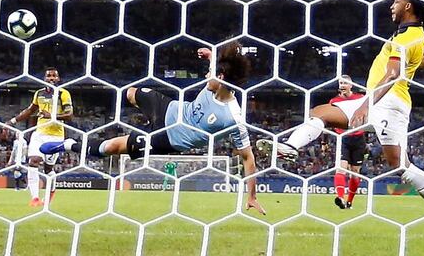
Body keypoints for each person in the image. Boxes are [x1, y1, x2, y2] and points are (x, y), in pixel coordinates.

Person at [258, 0, 424, 238]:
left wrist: (366, 104)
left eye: (396, 1)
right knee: (321, 112)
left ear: (408, 6)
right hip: (381, 101)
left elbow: (392, 75)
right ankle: (290, 148)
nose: (391, 5)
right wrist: (415, 63)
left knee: (401, 167)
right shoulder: (416, 36)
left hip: (388, 103)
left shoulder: (404, 40)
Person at [41, 43, 265, 215]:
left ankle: (69, 145)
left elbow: (248, 159)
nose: (207, 75)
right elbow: (220, 67)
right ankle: (138, 121)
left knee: (112, 147)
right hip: (170, 109)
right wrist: (210, 56)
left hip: (166, 137)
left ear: (222, 78)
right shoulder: (218, 80)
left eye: (211, 72)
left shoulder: (232, 117)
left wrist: (252, 196)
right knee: (131, 92)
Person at [8, 68, 72, 207]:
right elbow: (30, 110)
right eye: (48, 75)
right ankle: (35, 198)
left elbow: (69, 115)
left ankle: (50, 193)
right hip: (39, 133)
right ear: (44, 78)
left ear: (58, 79)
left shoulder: (63, 94)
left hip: (55, 136)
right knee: (33, 160)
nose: (51, 78)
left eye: (54, 76)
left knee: (48, 169)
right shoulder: (39, 93)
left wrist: (52, 116)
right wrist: (12, 121)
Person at [330, 75, 365, 209]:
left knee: (355, 172)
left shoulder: (360, 98)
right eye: (340, 83)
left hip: (358, 138)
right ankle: (340, 197)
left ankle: (349, 201)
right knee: (341, 168)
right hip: (343, 138)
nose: (342, 85)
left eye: (345, 83)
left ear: (351, 85)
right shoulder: (334, 101)